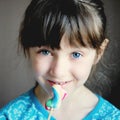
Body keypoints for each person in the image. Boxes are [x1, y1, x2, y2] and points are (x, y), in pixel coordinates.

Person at [0, 0, 120, 119]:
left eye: (76, 54)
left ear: (99, 52)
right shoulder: (9, 116)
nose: (58, 72)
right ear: (27, 48)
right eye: (45, 52)